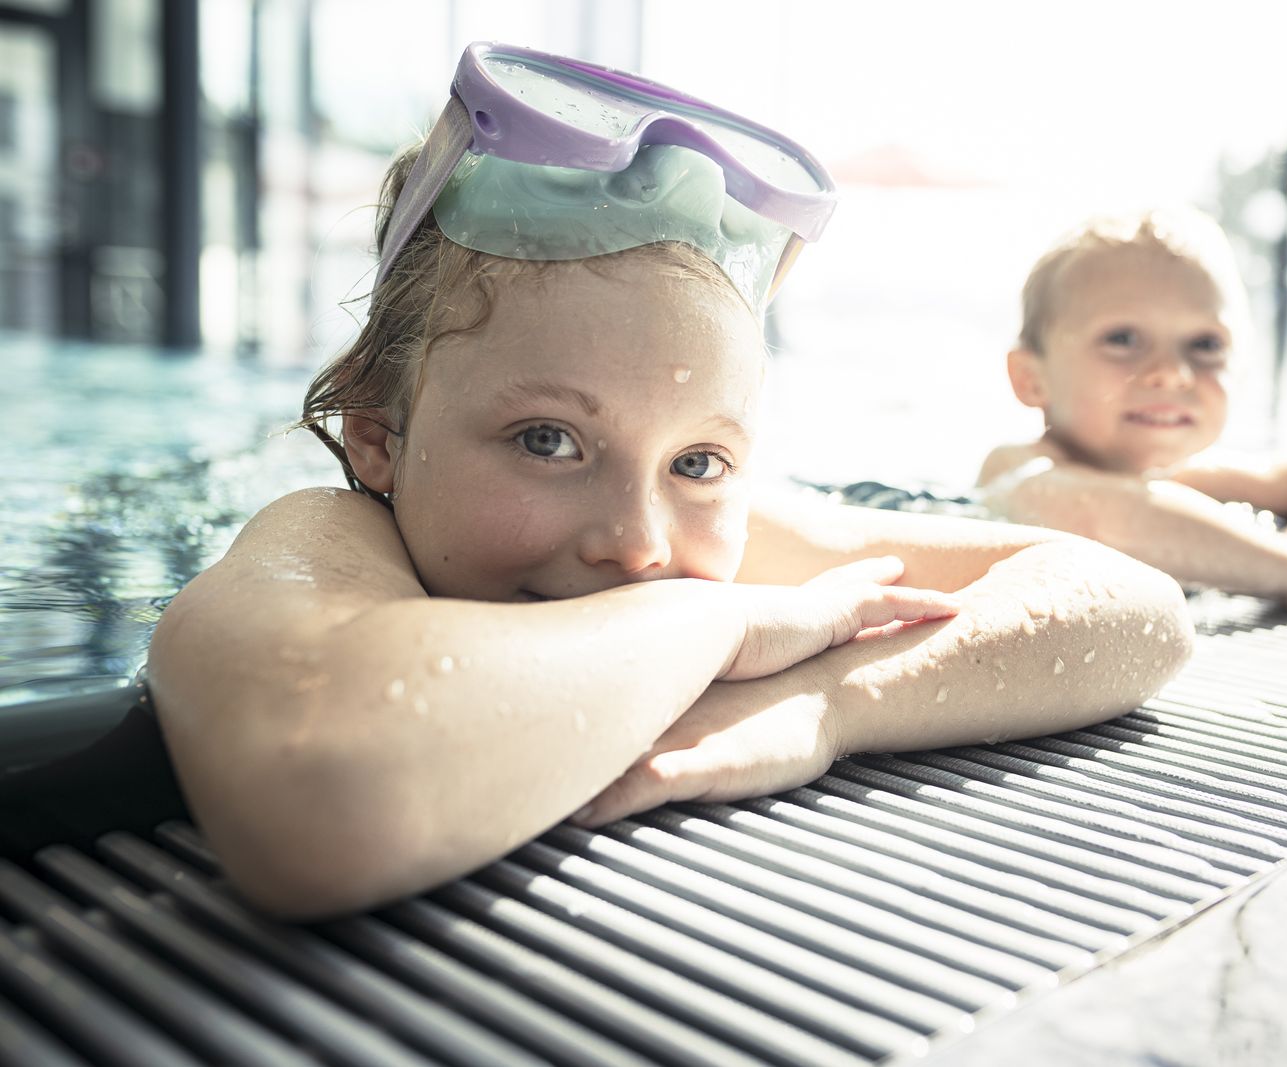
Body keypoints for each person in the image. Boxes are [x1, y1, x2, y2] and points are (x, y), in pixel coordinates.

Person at [147, 44, 1193, 920]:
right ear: (379, 437)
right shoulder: (330, 536)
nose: (639, 541)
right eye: (547, 441)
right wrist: (718, 622)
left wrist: (825, 699)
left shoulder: (708, 532)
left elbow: (1131, 603)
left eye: (698, 459)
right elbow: (326, 790)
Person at [977, 207, 1287, 616]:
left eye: (1205, 345)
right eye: (1123, 339)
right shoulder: (1016, 470)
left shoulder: (1189, 479)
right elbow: (1100, 517)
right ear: (1031, 379)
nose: (1173, 373)